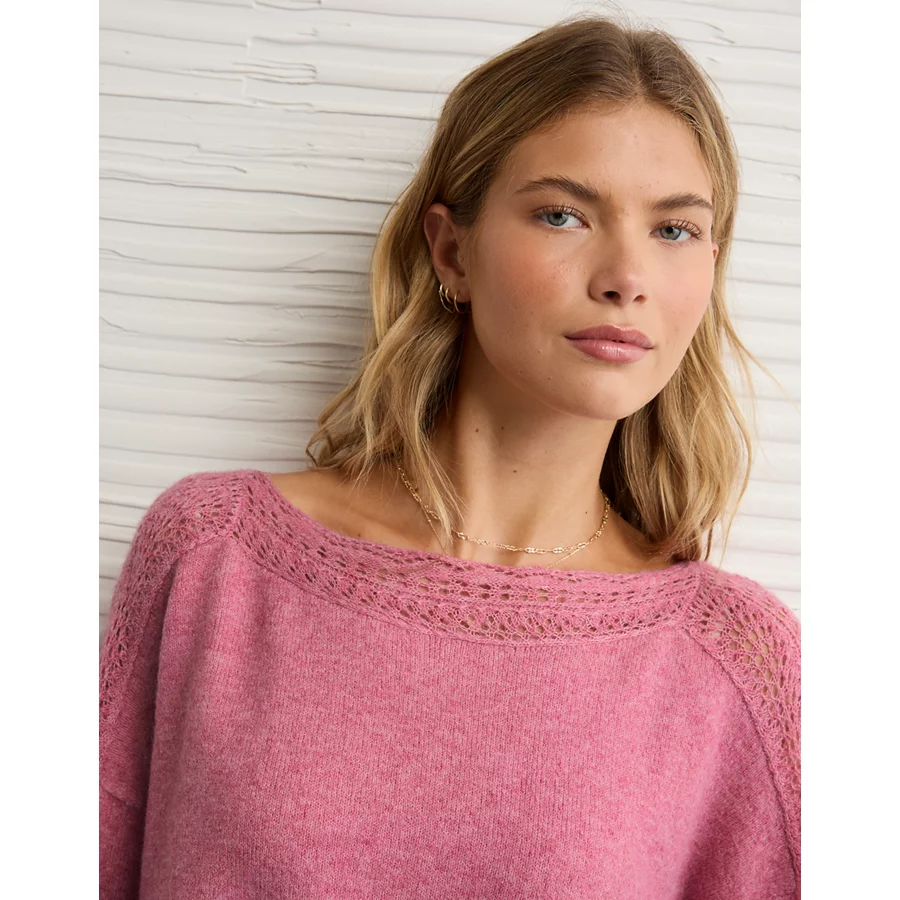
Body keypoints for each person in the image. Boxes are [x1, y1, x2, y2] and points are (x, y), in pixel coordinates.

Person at [100, 14, 800, 899]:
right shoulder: (216, 559)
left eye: (674, 230)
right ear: (450, 250)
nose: (627, 276)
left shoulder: (729, 659)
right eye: (562, 214)